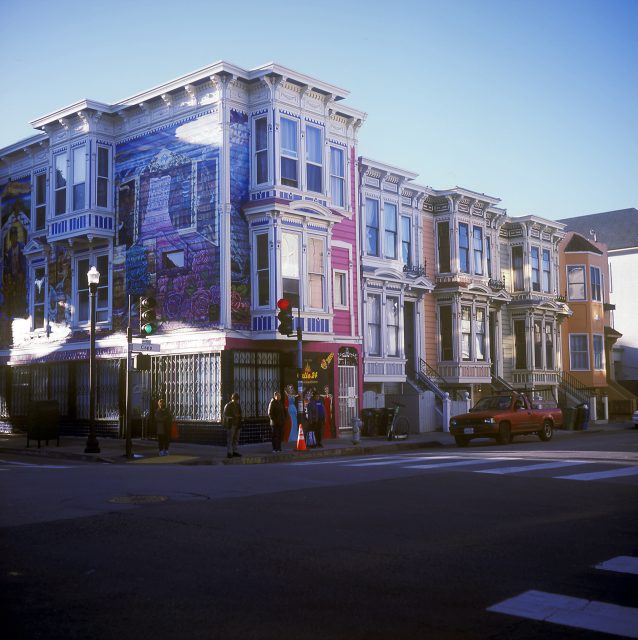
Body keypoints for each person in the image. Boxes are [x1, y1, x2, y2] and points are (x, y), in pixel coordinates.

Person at [223, 392, 242, 459]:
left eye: (237, 399)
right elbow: (225, 415)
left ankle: (235, 451)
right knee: (230, 439)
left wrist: (239, 421)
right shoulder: (228, 405)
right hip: (231, 425)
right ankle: (229, 452)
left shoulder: (238, 405)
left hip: (237, 424)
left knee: (236, 439)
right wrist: (232, 417)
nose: (236, 400)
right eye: (235, 399)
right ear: (232, 398)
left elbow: (240, 414)